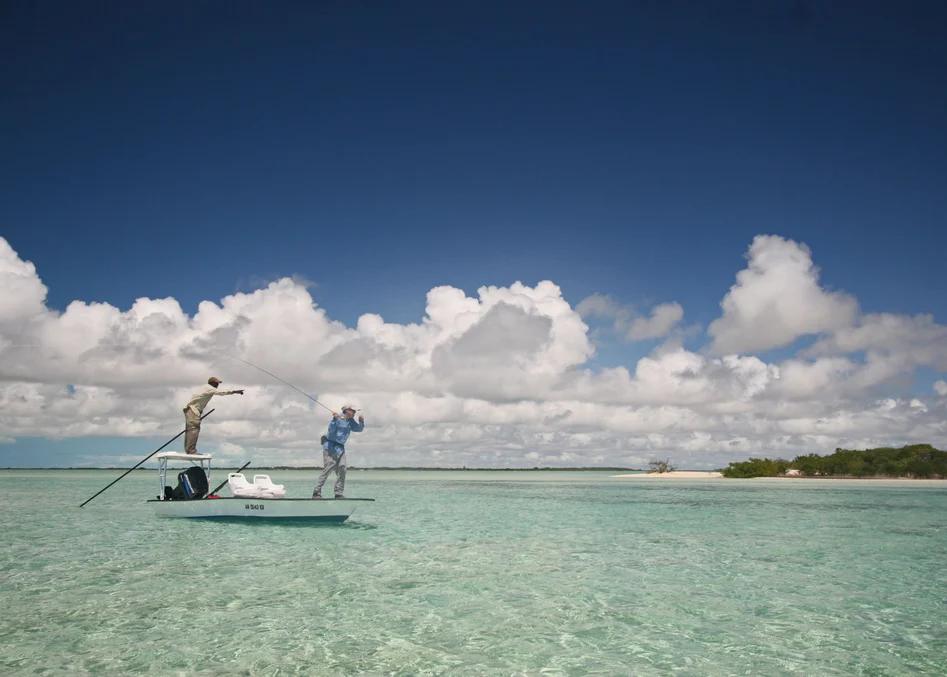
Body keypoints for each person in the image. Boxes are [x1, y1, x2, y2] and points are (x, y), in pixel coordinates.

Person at [312, 404, 365, 499]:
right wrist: (335, 419)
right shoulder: (337, 418)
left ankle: (338, 493)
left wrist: (361, 421)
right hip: (330, 446)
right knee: (328, 469)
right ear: (347, 410)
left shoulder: (351, 421)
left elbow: (358, 429)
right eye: (353, 411)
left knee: (342, 469)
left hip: (341, 448)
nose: (355, 413)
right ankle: (316, 492)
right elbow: (331, 430)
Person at [182, 377, 244, 454]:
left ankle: (189, 450)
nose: (218, 385)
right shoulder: (209, 388)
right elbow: (221, 392)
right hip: (193, 410)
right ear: (212, 383)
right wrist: (234, 391)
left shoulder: (206, 388)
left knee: (190, 430)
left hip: (191, 410)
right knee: (194, 429)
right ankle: (191, 451)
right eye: (216, 383)